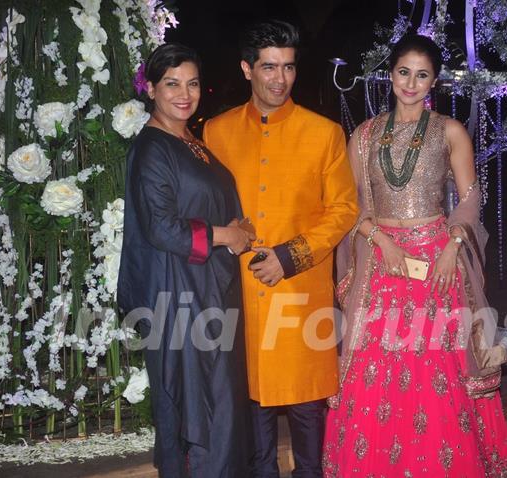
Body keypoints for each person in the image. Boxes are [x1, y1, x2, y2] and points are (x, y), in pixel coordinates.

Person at [322, 34, 507, 477]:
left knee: (437, 372)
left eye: (422, 75)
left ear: (434, 81)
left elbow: (470, 198)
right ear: (390, 74)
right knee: (376, 374)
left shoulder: (449, 131)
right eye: (403, 72)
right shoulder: (364, 135)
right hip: (380, 264)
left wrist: (453, 245)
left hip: (436, 266)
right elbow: (349, 205)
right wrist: (379, 238)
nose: (411, 83)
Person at [203, 20, 358, 478]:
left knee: (309, 412)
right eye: (269, 67)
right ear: (247, 69)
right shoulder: (216, 132)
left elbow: (344, 209)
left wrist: (291, 256)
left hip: (301, 294)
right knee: (253, 410)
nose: (280, 78)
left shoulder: (325, 133)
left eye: (288, 67)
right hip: (242, 295)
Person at [117, 43, 253, 478]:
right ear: (152, 89)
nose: (184, 93)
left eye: (192, 83)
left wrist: (237, 227)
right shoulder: (152, 148)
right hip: (178, 293)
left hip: (210, 288)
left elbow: (205, 204)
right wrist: (226, 234)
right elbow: (161, 227)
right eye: (172, 83)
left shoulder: (192, 141)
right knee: (196, 404)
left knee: (222, 400)